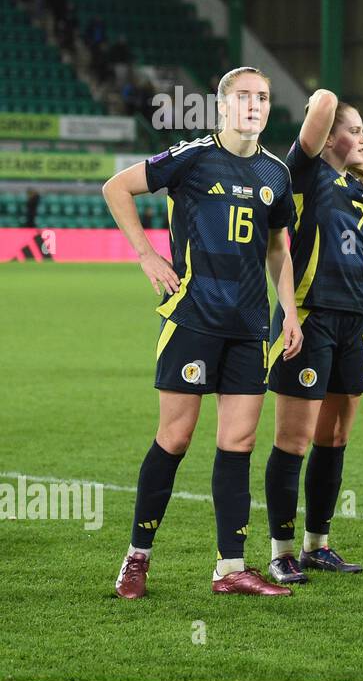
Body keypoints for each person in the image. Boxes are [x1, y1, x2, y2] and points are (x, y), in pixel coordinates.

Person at [103, 66, 301, 599]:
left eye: (262, 97)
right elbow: (116, 187)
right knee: (175, 437)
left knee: (238, 442)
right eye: (243, 96)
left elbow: (278, 248)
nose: (255, 105)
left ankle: (230, 567)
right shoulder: (192, 156)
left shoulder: (276, 174)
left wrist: (291, 312)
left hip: (248, 327)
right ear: (222, 105)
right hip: (192, 319)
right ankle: (136, 558)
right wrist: (146, 257)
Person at [262, 97, 363, 584]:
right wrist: (332, 106)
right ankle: (281, 550)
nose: (362, 139)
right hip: (309, 317)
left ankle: (318, 544)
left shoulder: (362, 194)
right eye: (354, 130)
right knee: (293, 440)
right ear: (330, 136)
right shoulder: (305, 173)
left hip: (354, 321)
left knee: (334, 438)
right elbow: (320, 108)